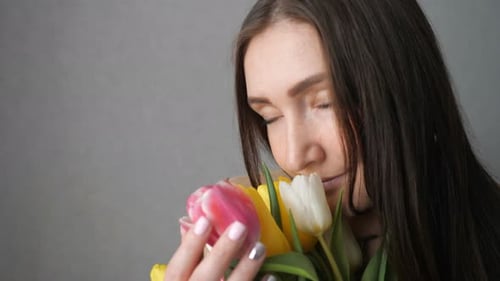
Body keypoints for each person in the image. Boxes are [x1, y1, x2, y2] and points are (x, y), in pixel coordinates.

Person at [158, 0, 500, 280]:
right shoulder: (268, 250)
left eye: (326, 102)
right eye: (270, 117)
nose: (294, 156)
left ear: (406, 86)